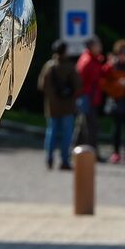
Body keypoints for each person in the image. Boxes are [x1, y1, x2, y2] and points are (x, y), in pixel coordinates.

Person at [37, 40, 78, 170]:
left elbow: (42, 85)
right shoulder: (70, 66)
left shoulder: (49, 66)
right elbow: (78, 85)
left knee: (51, 133)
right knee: (67, 134)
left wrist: (53, 95)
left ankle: (49, 158)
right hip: (68, 106)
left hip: (52, 106)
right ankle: (65, 160)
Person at [75, 35, 107, 161]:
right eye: (98, 45)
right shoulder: (87, 61)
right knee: (90, 126)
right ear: (92, 47)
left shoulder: (94, 59)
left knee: (83, 126)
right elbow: (81, 80)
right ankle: (92, 154)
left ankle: (77, 152)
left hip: (91, 96)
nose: (100, 47)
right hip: (87, 97)